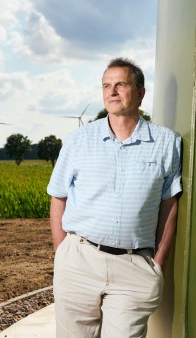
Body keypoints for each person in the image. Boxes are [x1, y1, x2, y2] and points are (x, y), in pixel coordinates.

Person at [47, 57, 182, 338]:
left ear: (140, 93)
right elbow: (58, 196)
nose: (112, 91)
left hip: (134, 268)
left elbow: (169, 205)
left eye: (121, 84)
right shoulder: (78, 139)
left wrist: (159, 262)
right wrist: (62, 253)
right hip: (78, 262)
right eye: (106, 85)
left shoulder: (168, 143)